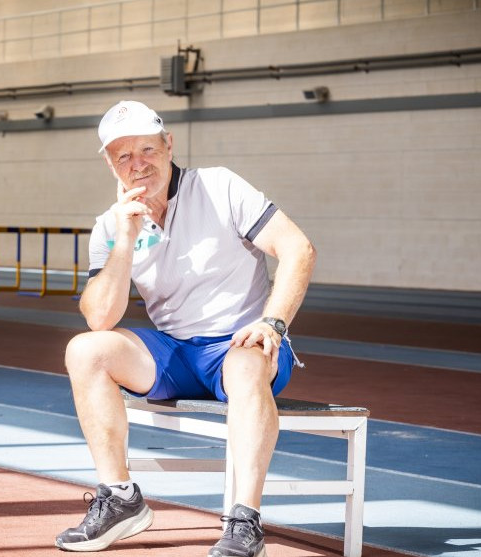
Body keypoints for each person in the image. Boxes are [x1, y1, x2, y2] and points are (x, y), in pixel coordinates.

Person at [55, 100, 316, 557]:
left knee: (244, 367)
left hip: (242, 343)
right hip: (175, 352)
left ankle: (244, 521)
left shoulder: (220, 187)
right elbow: (100, 318)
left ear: (168, 144)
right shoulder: (109, 226)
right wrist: (125, 240)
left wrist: (272, 323)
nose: (138, 165)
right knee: (85, 349)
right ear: (109, 164)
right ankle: (120, 500)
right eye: (124, 157)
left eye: (147, 150)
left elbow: (298, 248)